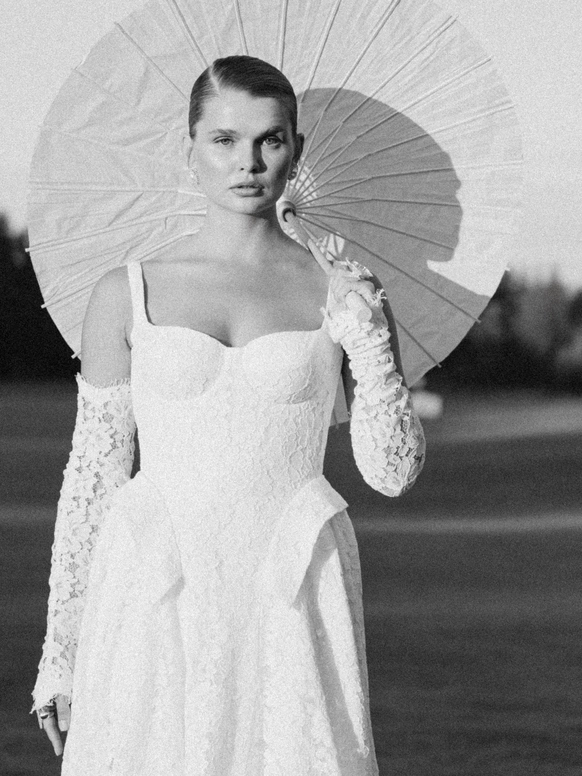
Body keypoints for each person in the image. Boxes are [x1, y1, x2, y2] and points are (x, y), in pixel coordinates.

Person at [31, 55, 426, 774]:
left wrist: (369, 340)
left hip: (292, 583)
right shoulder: (126, 292)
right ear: (190, 148)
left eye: (270, 139)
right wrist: (61, 655)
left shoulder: (344, 292)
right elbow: (92, 478)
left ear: (297, 149)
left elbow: (391, 473)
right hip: (154, 583)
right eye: (224, 139)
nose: (248, 162)